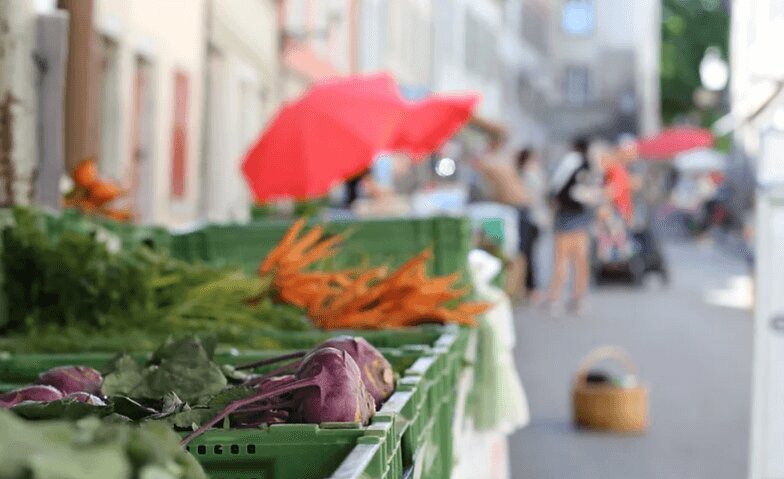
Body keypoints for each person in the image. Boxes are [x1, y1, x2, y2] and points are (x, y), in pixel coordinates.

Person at [546, 138, 603, 315]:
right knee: (578, 259)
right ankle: (575, 297)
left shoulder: (572, 161)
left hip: (568, 215)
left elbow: (554, 187)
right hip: (577, 215)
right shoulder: (584, 163)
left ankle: (559, 298)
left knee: (565, 259)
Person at [516, 148, 548, 303]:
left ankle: (529, 287)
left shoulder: (523, 174)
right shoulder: (532, 174)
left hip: (531, 218)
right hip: (533, 218)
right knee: (530, 254)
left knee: (528, 254)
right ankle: (531, 288)